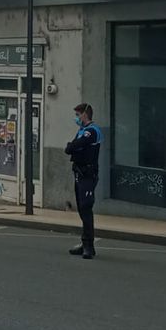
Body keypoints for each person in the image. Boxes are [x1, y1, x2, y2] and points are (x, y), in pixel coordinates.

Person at [64, 102, 102, 259]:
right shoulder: (82, 130)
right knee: (81, 208)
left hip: (88, 174)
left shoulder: (92, 131)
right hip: (79, 173)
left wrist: (72, 146)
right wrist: (72, 146)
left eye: (78, 115)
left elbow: (75, 146)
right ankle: (84, 242)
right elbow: (69, 149)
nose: (76, 118)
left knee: (86, 207)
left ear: (85, 114)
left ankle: (89, 246)